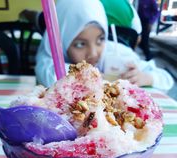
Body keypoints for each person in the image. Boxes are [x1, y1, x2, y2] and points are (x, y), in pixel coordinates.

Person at [35, 0, 174, 92]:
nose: (93, 53)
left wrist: (146, 77)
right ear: (61, 42)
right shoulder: (50, 62)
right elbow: (47, 73)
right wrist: (96, 77)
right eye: (80, 44)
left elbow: (166, 78)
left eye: (100, 39)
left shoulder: (115, 54)